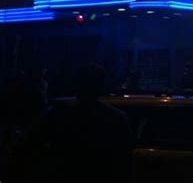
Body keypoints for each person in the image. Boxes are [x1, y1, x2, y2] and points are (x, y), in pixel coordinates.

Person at [5, 63, 133, 183]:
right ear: (101, 86)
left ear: (76, 84)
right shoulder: (115, 118)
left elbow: (27, 145)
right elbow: (124, 162)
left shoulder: (58, 114)